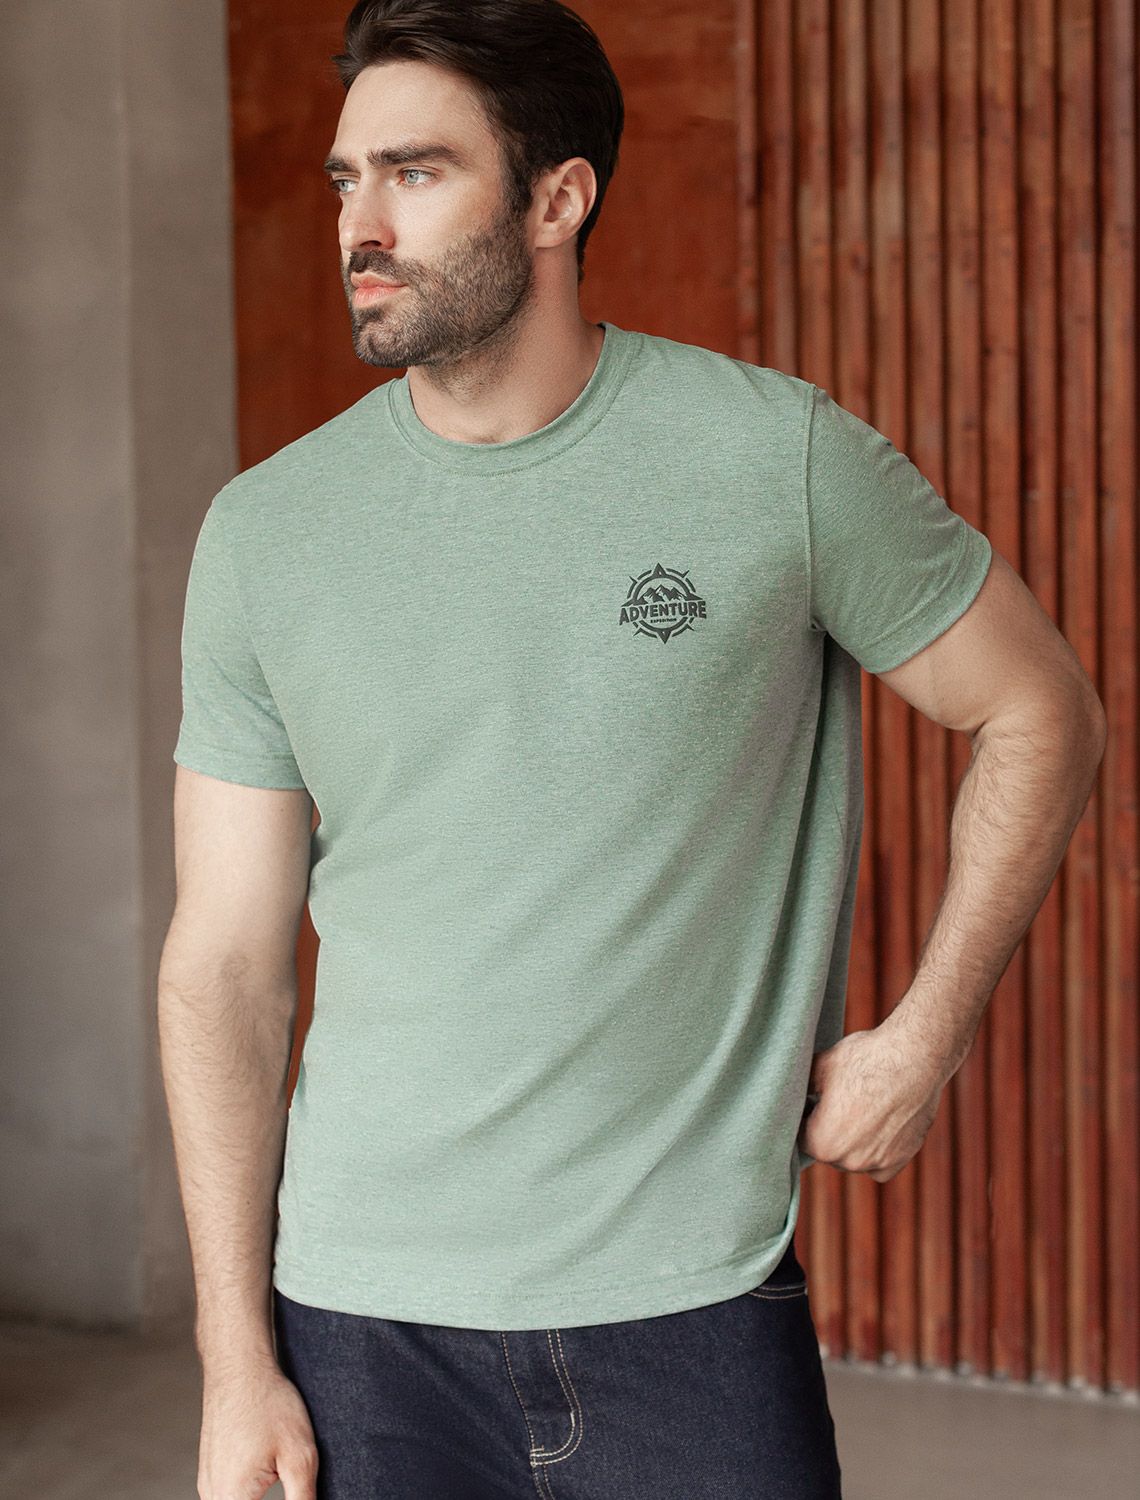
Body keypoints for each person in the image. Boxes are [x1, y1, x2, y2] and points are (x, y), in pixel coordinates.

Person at [157, 2, 1107, 1497]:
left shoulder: (775, 459)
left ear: (558, 199)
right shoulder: (265, 535)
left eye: (416, 172)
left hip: (693, 1309)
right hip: (357, 1322)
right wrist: (234, 1361)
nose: (360, 224)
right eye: (347, 180)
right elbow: (223, 964)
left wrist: (930, 1033)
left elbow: (1042, 708)